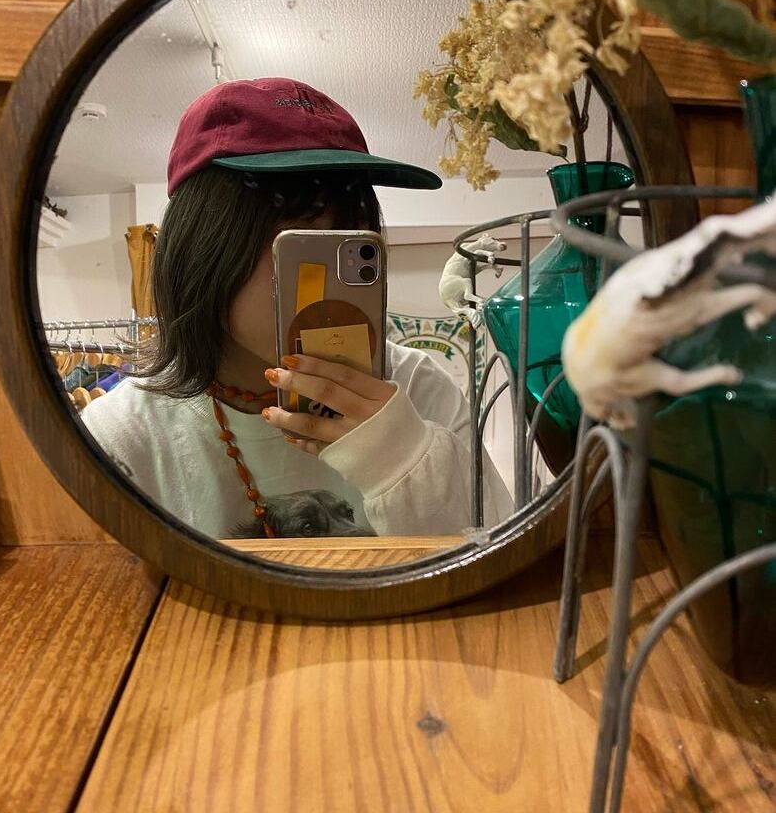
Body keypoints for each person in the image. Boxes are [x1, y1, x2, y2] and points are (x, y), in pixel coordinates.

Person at [80, 77, 512, 539]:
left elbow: (504, 557)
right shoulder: (122, 438)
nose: (323, 288)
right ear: (205, 252)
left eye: (350, 241)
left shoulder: (417, 388)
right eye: (299, 248)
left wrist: (402, 457)